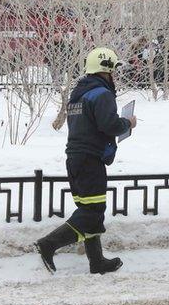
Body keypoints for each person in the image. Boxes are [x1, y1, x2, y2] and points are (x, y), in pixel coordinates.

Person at [35, 47, 137, 275]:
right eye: (114, 70)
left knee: (89, 209)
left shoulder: (78, 95)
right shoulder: (102, 94)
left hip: (75, 159)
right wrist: (127, 123)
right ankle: (49, 244)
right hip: (90, 161)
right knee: (93, 211)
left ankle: (97, 261)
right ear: (107, 69)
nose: (116, 75)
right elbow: (109, 125)